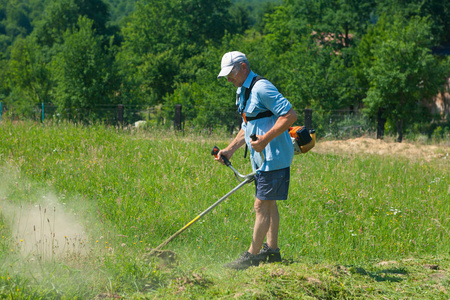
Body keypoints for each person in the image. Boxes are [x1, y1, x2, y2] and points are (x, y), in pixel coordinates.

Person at [215, 51, 297, 270]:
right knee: (269, 203)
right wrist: (230, 150)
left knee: (260, 204)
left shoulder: (262, 88)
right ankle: (272, 251)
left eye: (230, 73)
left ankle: (251, 257)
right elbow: (247, 125)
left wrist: (265, 140)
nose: (228, 79)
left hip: (275, 156)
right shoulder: (243, 91)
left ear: (243, 67)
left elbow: (289, 115)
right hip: (262, 158)